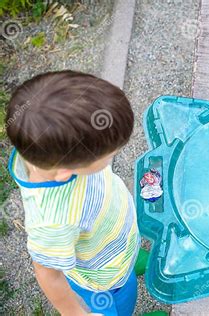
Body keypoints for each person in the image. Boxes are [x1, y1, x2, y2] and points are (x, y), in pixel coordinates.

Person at [6, 70, 139, 315]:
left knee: (127, 265)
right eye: (110, 156)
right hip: (106, 280)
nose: (113, 156)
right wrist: (76, 313)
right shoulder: (54, 222)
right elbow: (48, 273)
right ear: (67, 172)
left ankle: (130, 256)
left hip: (112, 240)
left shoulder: (43, 150)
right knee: (122, 304)